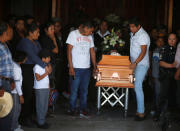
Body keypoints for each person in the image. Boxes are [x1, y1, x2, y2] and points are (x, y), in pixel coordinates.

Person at [16, 23, 49, 127]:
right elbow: (33, 56)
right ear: (30, 33)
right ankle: (24, 118)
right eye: (37, 32)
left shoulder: (36, 42)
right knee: (28, 93)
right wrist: (45, 65)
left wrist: (47, 63)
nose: (39, 34)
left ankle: (33, 116)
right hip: (27, 69)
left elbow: (41, 54)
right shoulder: (25, 42)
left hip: (35, 67)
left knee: (33, 94)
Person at [66, 20, 97, 118]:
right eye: (90, 31)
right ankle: (72, 109)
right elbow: (69, 51)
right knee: (74, 90)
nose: (91, 33)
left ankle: (83, 108)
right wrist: (71, 67)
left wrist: (94, 66)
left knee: (84, 90)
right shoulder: (73, 34)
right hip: (76, 68)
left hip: (86, 68)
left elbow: (92, 52)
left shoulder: (90, 37)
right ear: (85, 28)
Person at [129, 17, 150, 121]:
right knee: (135, 86)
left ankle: (141, 112)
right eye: (130, 26)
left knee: (137, 86)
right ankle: (139, 109)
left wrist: (136, 63)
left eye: (133, 27)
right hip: (134, 64)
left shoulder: (143, 35)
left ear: (139, 26)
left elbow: (143, 52)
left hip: (141, 64)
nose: (131, 29)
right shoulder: (133, 34)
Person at [154, 33, 177, 121]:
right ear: (167, 40)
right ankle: (158, 114)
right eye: (170, 39)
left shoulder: (177, 50)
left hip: (175, 76)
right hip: (165, 75)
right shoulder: (163, 49)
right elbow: (161, 62)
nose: (171, 41)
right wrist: (172, 65)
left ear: (176, 40)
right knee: (162, 96)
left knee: (173, 96)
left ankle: (172, 115)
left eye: (173, 39)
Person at [0, 22, 14, 131]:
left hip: (7, 82)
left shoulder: (5, 44)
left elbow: (8, 64)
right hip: (2, 83)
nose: (11, 32)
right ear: (4, 32)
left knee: (7, 111)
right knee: (3, 113)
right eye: (10, 30)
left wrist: (12, 80)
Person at [33, 49, 52, 129]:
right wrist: (46, 73)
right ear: (42, 58)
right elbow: (38, 78)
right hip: (39, 88)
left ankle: (42, 121)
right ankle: (40, 122)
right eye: (47, 57)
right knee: (40, 106)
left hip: (45, 88)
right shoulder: (37, 66)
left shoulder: (45, 65)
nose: (49, 59)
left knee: (45, 106)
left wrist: (49, 87)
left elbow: (50, 72)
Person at [11, 51, 27, 131]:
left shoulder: (13, 64)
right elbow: (17, 83)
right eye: (25, 58)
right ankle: (14, 127)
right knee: (16, 110)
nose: (26, 59)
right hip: (15, 92)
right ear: (22, 59)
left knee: (14, 109)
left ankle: (15, 125)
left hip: (14, 91)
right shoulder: (16, 68)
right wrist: (20, 95)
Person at [151, 37, 165, 114]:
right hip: (157, 75)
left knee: (159, 93)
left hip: (162, 75)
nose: (160, 42)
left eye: (162, 41)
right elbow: (155, 64)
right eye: (158, 41)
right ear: (156, 42)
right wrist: (154, 75)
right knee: (157, 93)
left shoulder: (164, 50)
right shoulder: (156, 50)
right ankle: (157, 110)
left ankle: (158, 110)